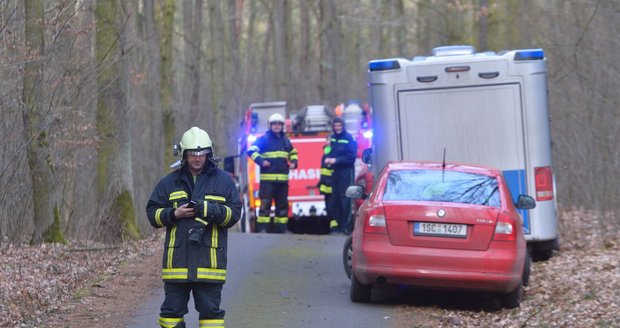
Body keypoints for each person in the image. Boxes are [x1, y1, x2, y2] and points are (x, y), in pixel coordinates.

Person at [146, 126, 241, 328]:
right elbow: (152, 214)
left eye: (202, 153)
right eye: (192, 154)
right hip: (177, 264)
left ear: (209, 154)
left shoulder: (223, 181)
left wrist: (210, 209)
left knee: (211, 317)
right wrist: (173, 214)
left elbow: (234, 215)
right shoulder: (170, 182)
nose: (197, 158)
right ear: (183, 154)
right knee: (170, 316)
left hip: (210, 264)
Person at [247, 113, 298, 233]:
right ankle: (263, 230)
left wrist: (294, 162)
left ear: (282, 126)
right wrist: (261, 161)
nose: (276, 126)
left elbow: (293, 152)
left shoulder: (285, 140)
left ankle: (281, 229)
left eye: (279, 124)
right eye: (274, 124)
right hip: (267, 181)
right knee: (265, 206)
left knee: (282, 206)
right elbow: (251, 150)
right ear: (270, 126)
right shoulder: (264, 139)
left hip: (282, 181)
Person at [324, 117, 357, 234]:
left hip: (346, 172)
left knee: (345, 199)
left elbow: (351, 157)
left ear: (343, 126)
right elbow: (327, 153)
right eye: (335, 126)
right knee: (335, 199)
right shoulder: (332, 138)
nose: (337, 128)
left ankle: (346, 227)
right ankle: (337, 226)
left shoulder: (348, 138)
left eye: (339, 126)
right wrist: (327, 146)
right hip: (334, 173)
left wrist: (336, 160)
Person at [318, 142, 335, 231]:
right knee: (330, 207)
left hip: (333, 186)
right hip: (327, 186)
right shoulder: (326, 154)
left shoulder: (331, 153)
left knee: (332, 207)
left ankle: (334, 226)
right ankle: (333, 226)